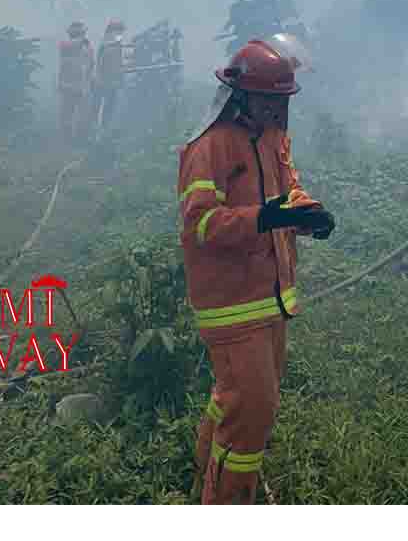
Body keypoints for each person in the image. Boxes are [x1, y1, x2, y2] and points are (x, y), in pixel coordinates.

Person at [178, 36, 335, 505]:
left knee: (237, 401)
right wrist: (265, 218)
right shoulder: (211, 146)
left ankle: (206, 476)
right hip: (231, 306)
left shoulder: (272, 140)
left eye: (282, 101)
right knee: (252, 413)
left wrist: (307, 214)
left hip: (271, 299)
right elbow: (200, 223)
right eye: (270, 100)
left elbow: (288, 193)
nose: (278, 109)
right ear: (243, 96)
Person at [57, 21, 93, 144]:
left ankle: (71, 138)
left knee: (70, 113)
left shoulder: (70, 46)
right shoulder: (79, 45)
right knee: (76, 114)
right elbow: (90, 64)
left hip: (72, 84)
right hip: (77, 85)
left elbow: (90, 65)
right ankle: (75, 138)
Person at [92, 19, 126, 133]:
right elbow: (105, 65)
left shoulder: (114, 44)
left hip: (111, 81)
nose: (120, 34)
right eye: (119, 31)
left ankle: (102, 129)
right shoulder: (108, 44)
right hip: (105, 81)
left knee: (108, 106)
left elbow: (118, 64)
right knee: (101, 106)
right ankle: (98, 130)